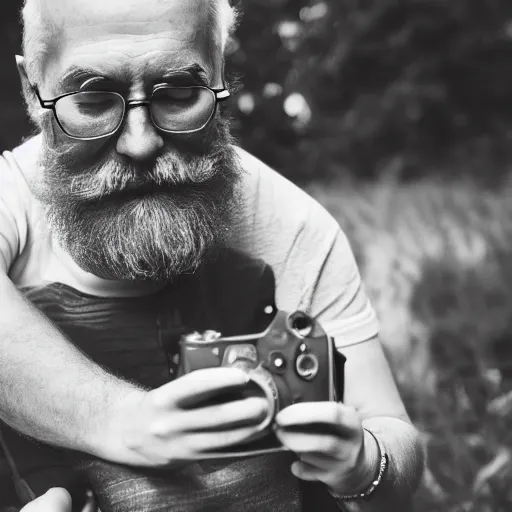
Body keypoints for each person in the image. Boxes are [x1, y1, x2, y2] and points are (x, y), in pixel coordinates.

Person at [0, 0, 424, 510]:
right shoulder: (11, 197)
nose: (140, 143)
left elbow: (393, 442)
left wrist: (365, 463)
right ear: (32, 89)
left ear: (220, 71)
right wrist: (128, 424)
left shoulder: (294, 227)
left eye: (179, 94)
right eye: (93, 100)